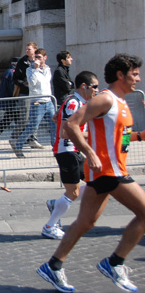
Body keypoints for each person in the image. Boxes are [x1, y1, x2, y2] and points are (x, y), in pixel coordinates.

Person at [37, 54, 145, 293]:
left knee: (85, 222)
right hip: (108, 171)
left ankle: (53, 265)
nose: (138, 78)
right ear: (120, 74)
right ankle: (114, 263)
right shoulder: (105, 99)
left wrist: (140, 136)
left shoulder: (122, 102)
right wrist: (89, 152)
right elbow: (70, 126)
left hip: (107, 170)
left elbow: (118, 138)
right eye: (134, 73)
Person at [41, 71, 98, 240]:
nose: (97, 90)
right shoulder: (74, 102)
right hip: (67, 151)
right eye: (94, 86)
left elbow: (55, 117)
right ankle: (49, 226)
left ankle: (56, 204)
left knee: (96, 182)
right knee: (73, 192)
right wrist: (91, 134)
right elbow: (65, 132)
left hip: (74, 151)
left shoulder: (76, 101)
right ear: (84, 86)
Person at [13, 48, 56, 157]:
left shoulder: (48, 69)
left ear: (44, 58)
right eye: (35, 57)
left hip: (48, 100)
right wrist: (36, 69)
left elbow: (47, 83)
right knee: (33, 126)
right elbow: (32, 83)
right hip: (37, 102)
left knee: (54, 125)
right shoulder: (30, 70)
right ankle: (18, 145)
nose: (36, 59)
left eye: (39, 57)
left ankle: (55, 147)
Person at [11, 42, 41, 149]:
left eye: (30, 49)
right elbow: (16, 78)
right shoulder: (22, 61)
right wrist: (25, 85)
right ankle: (14, 137)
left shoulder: (39, 61)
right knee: (24, 117)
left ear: (35, 49)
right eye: (27, 49)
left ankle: (33, 139)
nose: (27, 51)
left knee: (35, 117)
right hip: (25, 93)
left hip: (37, 93)